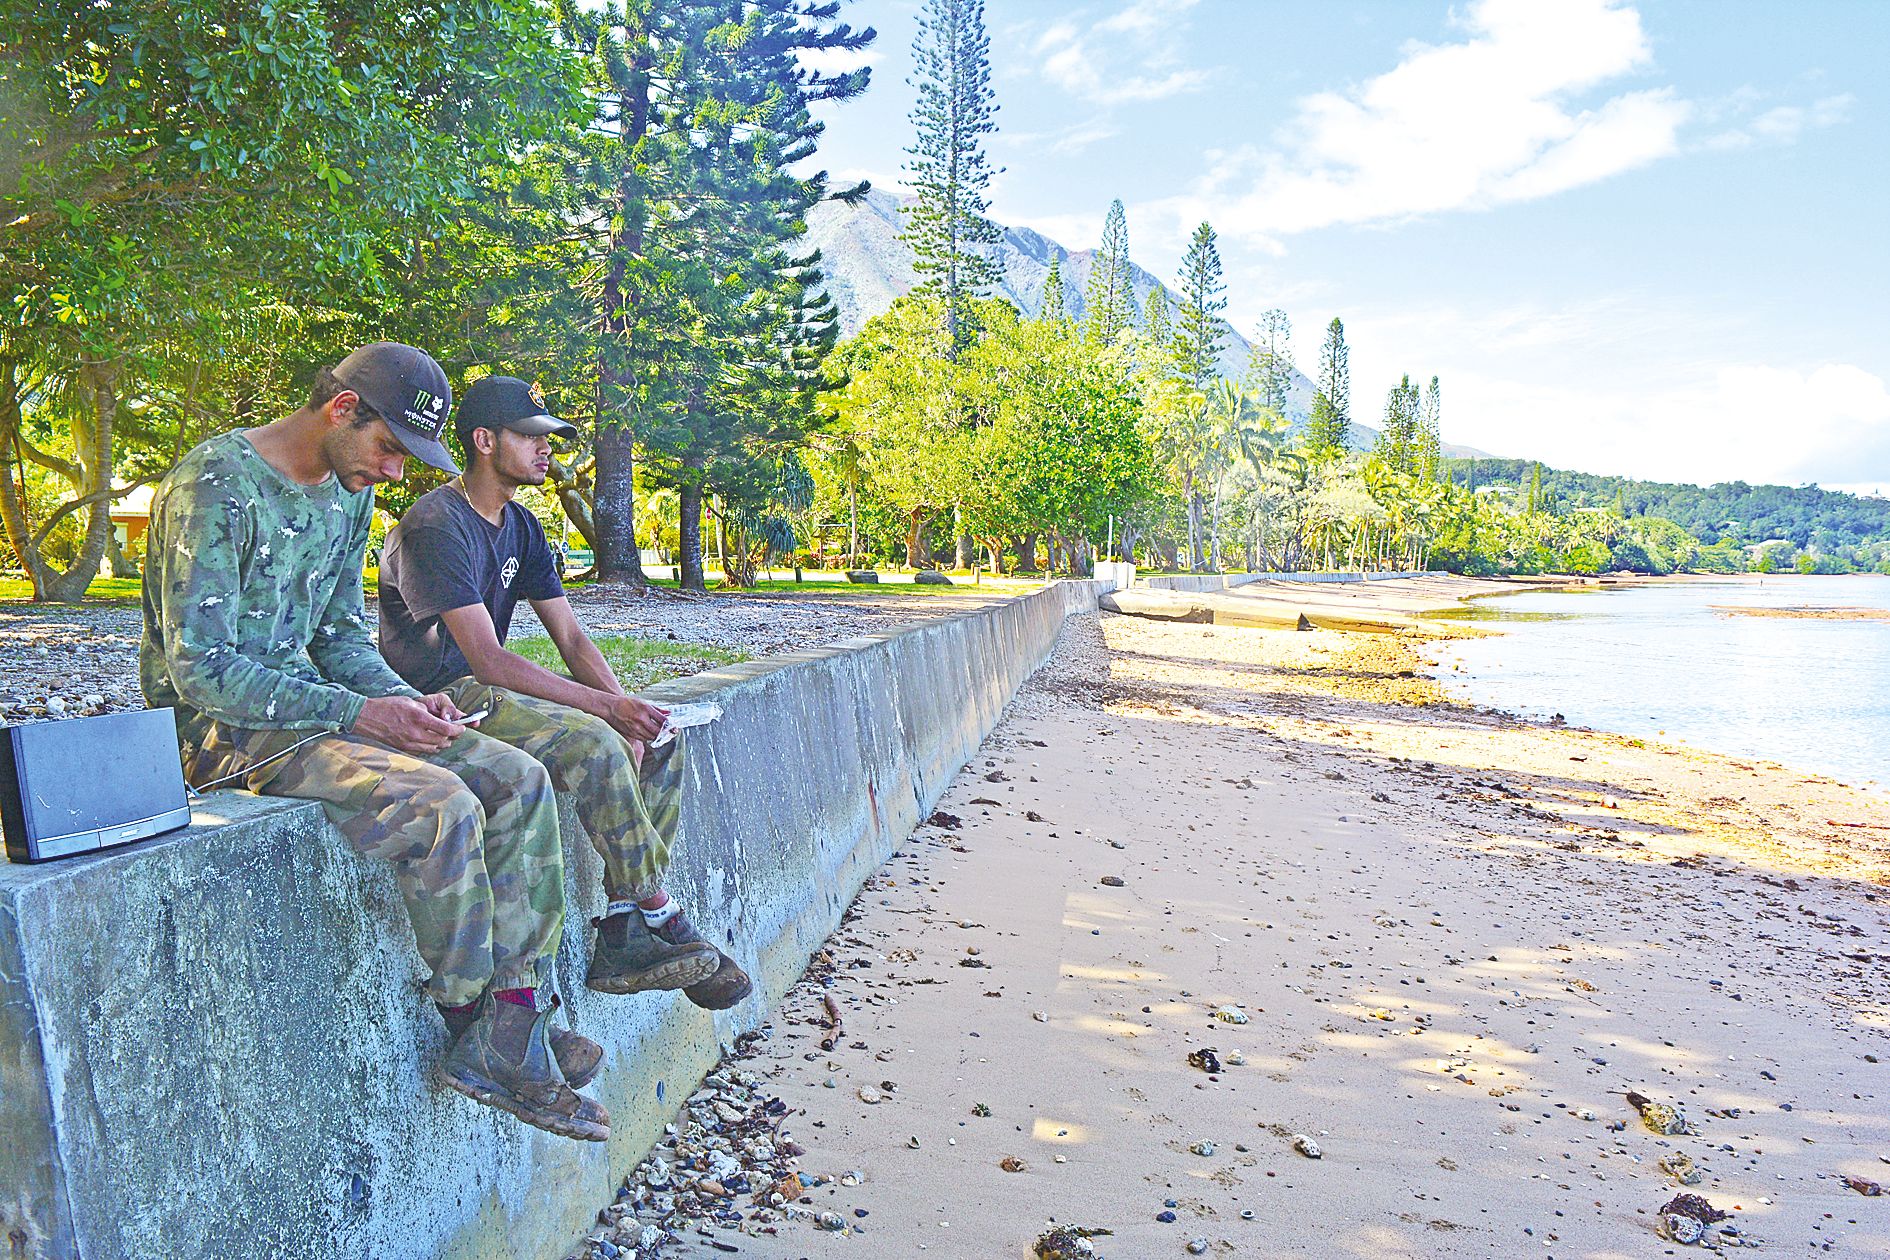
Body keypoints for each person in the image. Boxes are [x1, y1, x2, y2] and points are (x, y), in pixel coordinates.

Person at [140, 343, 610, 1142]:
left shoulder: (347, 490)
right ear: (341, 409)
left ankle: (516, 1019)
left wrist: (403, 699)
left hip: (320, 707)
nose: (395, 473)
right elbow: (203, 671)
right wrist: (360, 717)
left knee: (515, 776)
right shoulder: (215, 484)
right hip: (224, 732)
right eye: (390, 448)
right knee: (440, 802)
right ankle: (475, 1029)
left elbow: (337, 635)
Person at [377, 375, 751, 1012]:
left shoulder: (522, 526)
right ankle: (659, 910)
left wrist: (633, 713)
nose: (547, 449)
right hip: (439, 698)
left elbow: (573, 640)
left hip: (483, 687)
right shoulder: (435, 525)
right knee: (598, 743)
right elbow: (487, 661)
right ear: (485, 441)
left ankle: (625, 924)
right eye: (532, 437)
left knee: (658, 740)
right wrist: (606, 714)